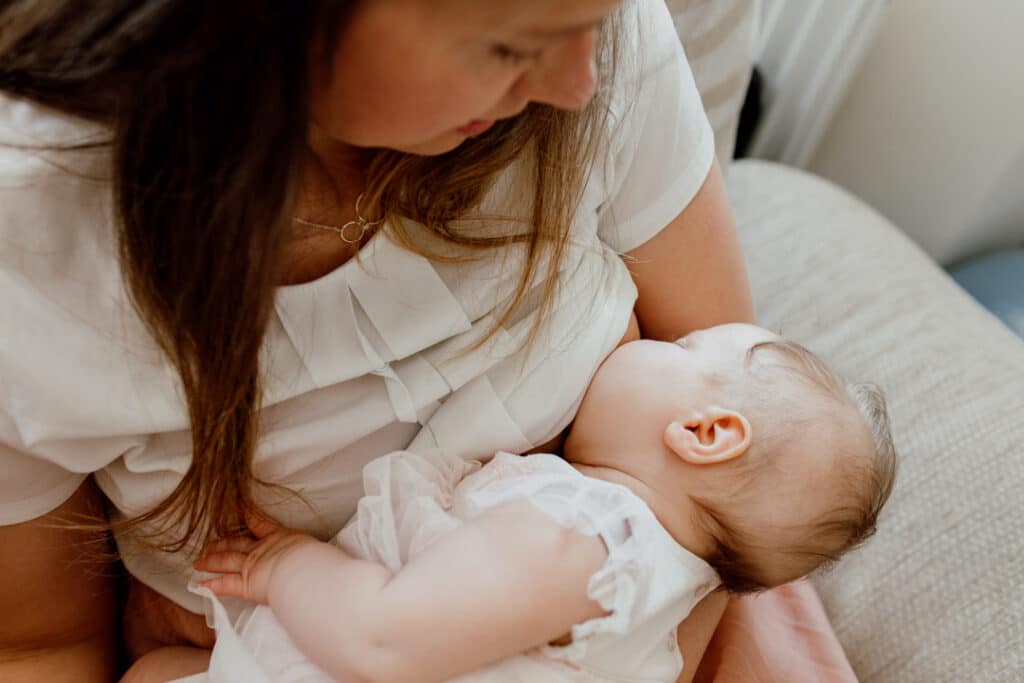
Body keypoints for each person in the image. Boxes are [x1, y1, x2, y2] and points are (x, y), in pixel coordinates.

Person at [0, 1, 830, 681]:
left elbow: (734, 498)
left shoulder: (599, 38)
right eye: (511, 46)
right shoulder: (29, 253)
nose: (581, 83)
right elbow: (38, 645)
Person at [189, 322, 897, 683]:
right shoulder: (665, 611)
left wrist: (281, 567)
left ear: (702, 432)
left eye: (678, 345)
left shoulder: (589, 537)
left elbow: (382, 636)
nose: (648, 334)